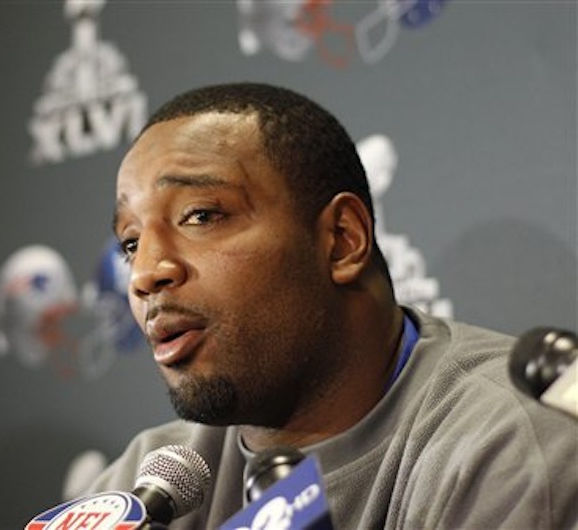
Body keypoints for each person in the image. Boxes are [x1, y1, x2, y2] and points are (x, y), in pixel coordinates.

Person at [88, 82, 578, 529]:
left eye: (201, 215)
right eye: (130, 243)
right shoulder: (149, 486)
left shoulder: (507, 444)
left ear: (342, 240)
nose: (146, 273)